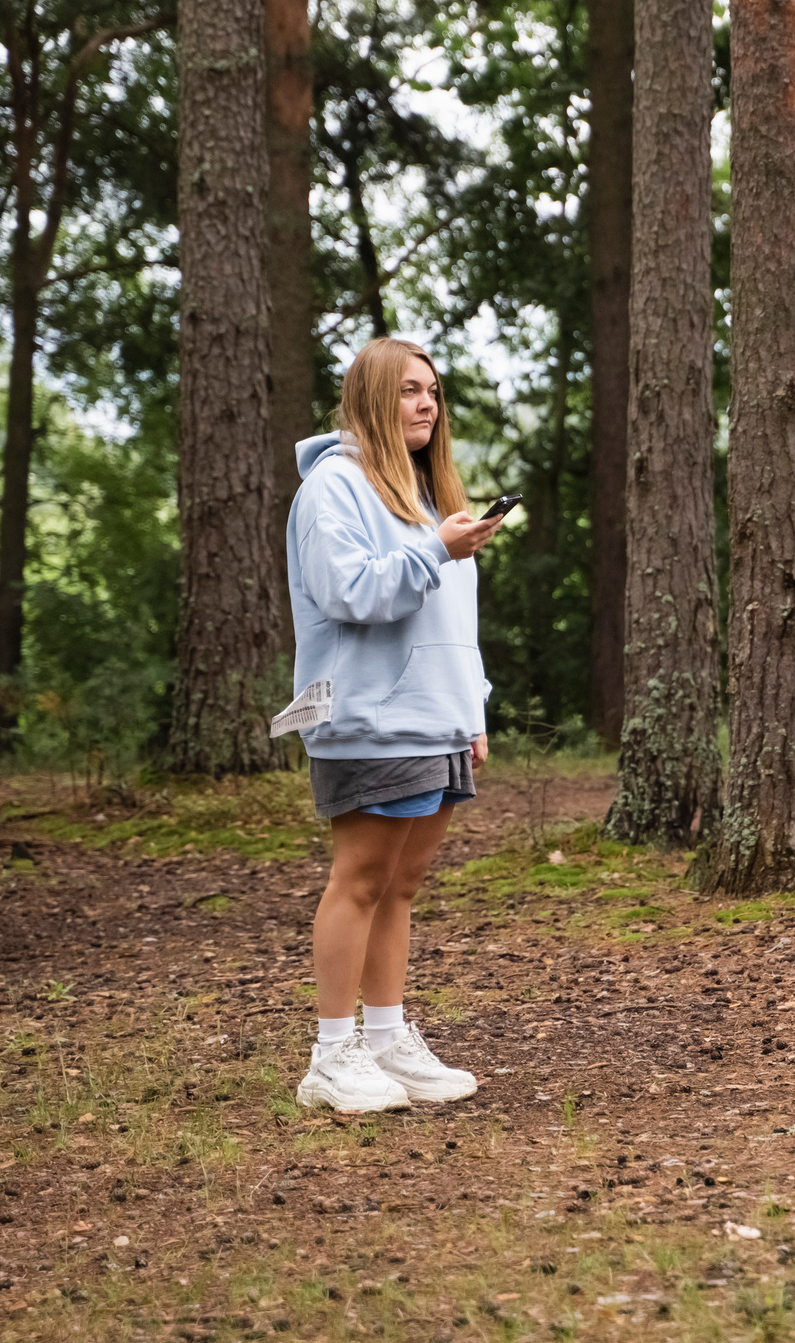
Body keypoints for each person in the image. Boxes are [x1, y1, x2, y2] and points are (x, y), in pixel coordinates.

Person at [286, 336, 506, 1112]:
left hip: (436, 720)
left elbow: (454, 621)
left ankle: (386, 1041)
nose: (426, 404)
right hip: (371, 717)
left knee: (403, 885)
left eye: (434, 392)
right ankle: (331, 1053)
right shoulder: (335, 488)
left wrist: (469, 705)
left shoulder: (421, 493)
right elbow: (349, 593)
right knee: (362, 878)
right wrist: (434, 548)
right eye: (410, 389)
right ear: (372, 397)